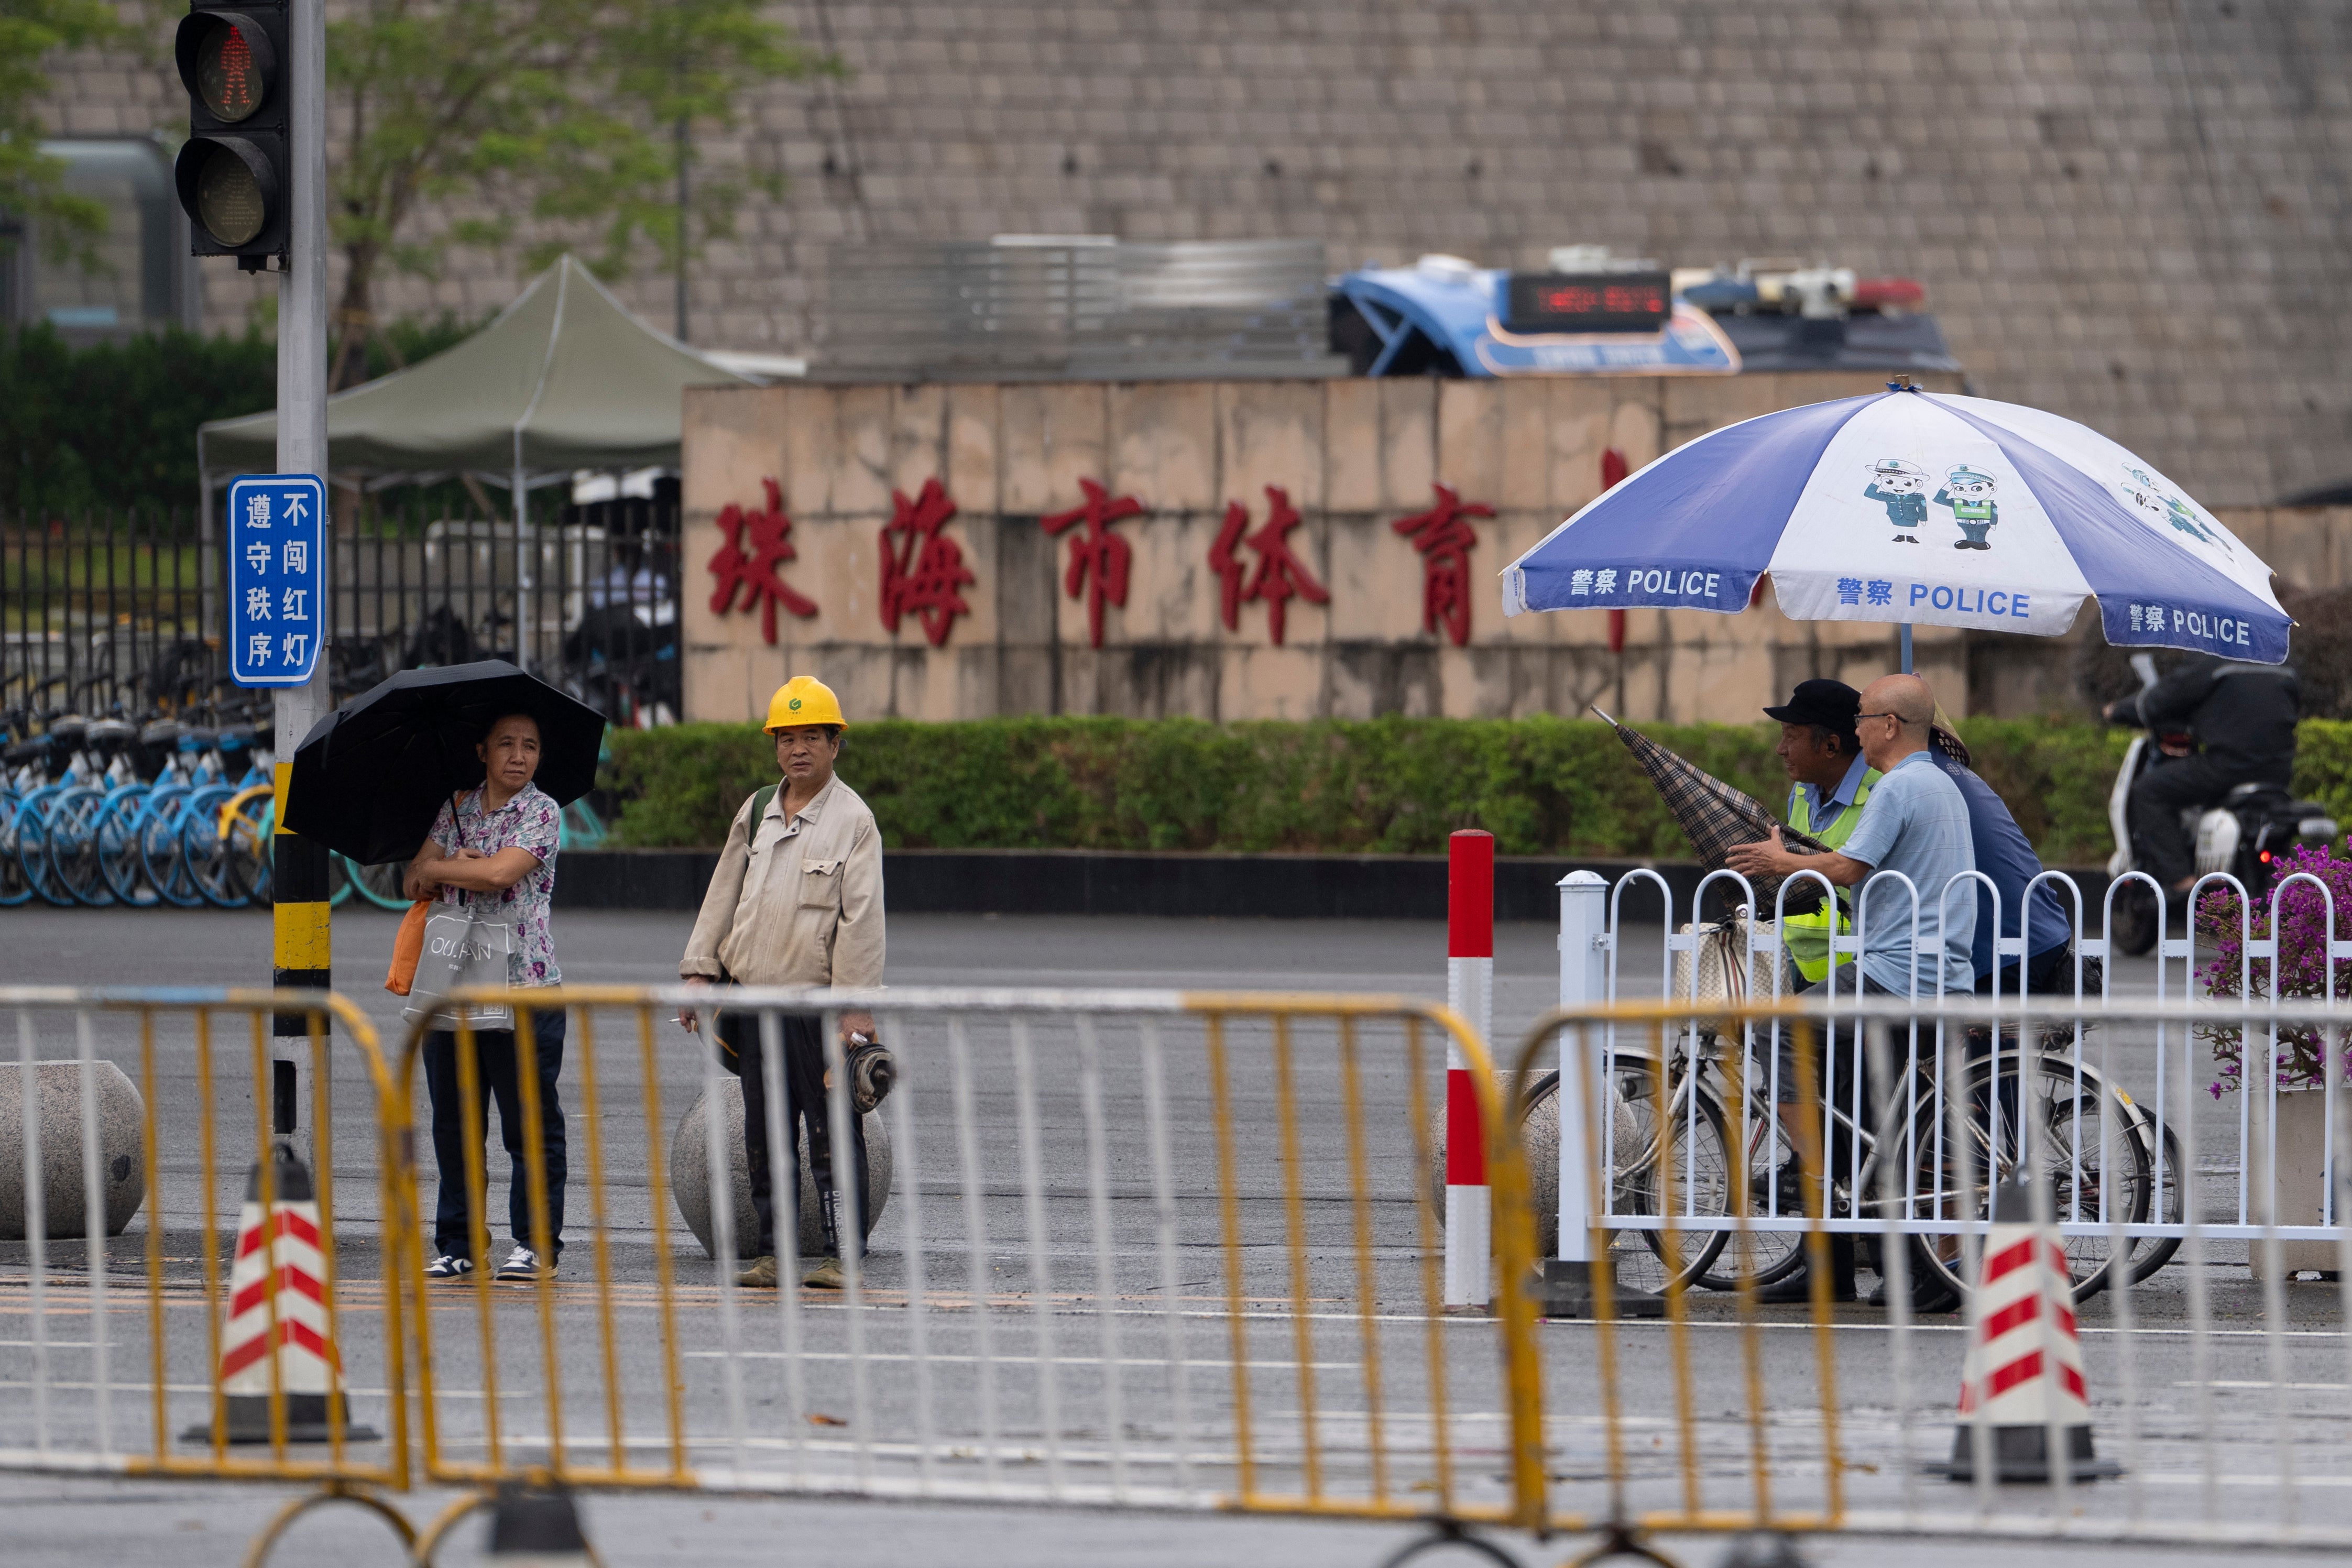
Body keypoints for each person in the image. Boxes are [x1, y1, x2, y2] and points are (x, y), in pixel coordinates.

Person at [1726, 674, 1977, 1304]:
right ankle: (1901, 1256)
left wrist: (1780, 863)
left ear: (1889, 725)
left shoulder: (1896, 787)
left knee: (1777, 1027)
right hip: (1936, 970)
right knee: (1891, 1113)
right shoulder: (1941, 784)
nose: (1856, 727)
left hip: (1894, 972)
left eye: (1863, 717)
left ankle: (1819, 1182)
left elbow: (1847, 865)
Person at [678, 676, 885, 1290]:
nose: (798, 749)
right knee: (765, 1133)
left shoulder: (854, 820)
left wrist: (855, 1007)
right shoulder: (757, 808)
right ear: (775, 747)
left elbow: (862, 918)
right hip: (753, 999)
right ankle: (771, 1251)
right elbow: (722, 894)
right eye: (787, 738)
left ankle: (841, 1252)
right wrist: (698, 971)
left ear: (834, 744)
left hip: (815, 1009)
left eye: (812, 737)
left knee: (830, 1133)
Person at [407, 711, 568, 1283]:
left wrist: (449, 866)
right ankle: (458, 1241)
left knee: (527, 1123)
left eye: (530, 745)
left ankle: (536, 1242)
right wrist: (446, 866)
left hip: (525, 988)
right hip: (451, 989)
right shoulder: (455, 807)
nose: (519, 755)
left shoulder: (543, 811)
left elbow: (502, 872)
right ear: (482, 750)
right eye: (506, 744)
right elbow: (412, 878)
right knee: (454, 1122)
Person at [2103, 653, 2300, 905]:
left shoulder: (2214, 665)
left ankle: (2182, 880)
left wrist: (2117, 710)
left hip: (2226, 768)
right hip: (2278, 773)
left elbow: (2160, 701)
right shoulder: (2283, 667)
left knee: (2148, 791)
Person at [1922, 723, 2080, 997]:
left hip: (2005, 944)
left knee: (1986, 1037)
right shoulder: (1953, 772)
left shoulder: (1916, 780)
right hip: (2035, 930)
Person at [1759, 679, 1880, 986]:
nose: (1780, 749)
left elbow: (1848, 870)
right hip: (1800, 963)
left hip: (1860, 969)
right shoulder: (1801, 791)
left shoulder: (1882, 792)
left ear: (1831, 746)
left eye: (1791, 736)